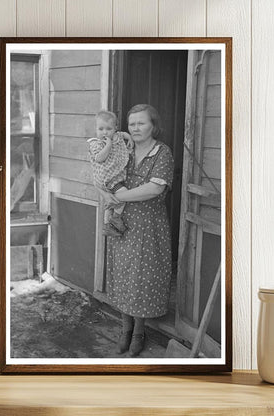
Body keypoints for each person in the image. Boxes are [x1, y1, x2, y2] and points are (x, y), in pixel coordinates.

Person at [98, 104, 174, 357]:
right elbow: (105, 173)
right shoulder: (122, 150)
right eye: (132, 124)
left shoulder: (162, 152)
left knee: (143, 277)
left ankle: (140, 331)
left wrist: (121, 196)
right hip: (122, 223)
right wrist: (108, 194)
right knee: (122, 274)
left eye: (141, 123)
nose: (136, 128)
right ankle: (125, 328)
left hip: (149, 226)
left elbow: (155, 189)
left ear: (153, 125)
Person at [87, 110, 133, 237]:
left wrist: (128, 136)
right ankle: (116, 217)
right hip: (108, 178)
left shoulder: (117, 136)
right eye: (101, 129)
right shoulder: (95, 143)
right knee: (123, 194)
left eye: (109, 129)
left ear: (115, 128)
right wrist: (108, 145)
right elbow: (99, 158)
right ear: (96, 129)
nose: (105, 132)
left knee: (111, 200)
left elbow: (122, 134)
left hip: (114, 176)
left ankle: (107, 225)